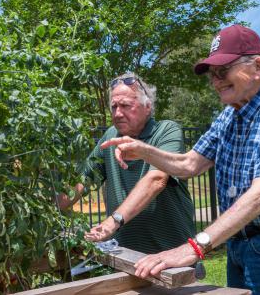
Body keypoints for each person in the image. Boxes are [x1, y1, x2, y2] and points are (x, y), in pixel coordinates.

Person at [101, 25, 260, 294]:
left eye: (222, 71)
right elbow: (189, 164)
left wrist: (194, 246)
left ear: (258, 66)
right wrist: (144, 150)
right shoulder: (229, 117)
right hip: (238, 244)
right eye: (211, 75)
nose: (215, 81)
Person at [59, 72, 195, 254]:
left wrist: (112, 221)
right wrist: (43, 214)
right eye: (114, 107)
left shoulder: (166, 131)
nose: (117, 113)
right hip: (125, 256)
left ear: (147, 107)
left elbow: (157, 180)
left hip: (170, 256)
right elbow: (83, 180)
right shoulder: (110, 137)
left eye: (125, 105)